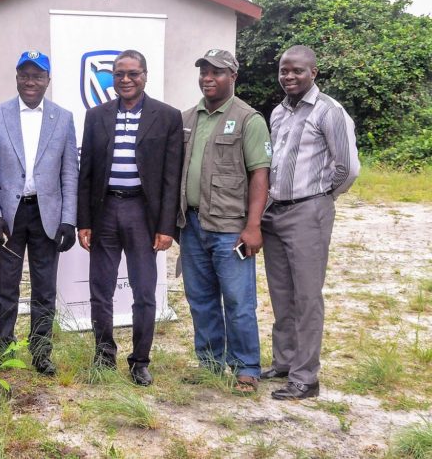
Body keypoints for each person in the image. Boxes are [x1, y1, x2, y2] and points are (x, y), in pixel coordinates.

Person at [77, 49, 183, 386]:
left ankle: (140, 361)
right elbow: (86, 172)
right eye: (119, 74)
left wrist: (166, 226)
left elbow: (171, 177)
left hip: (142, 213)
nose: (125, 80)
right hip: (105, 210)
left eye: (133, 73)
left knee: (144, 291)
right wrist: (84, 221)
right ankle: (103, 355)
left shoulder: (167, 116)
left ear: (145, 75)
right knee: (101, 289)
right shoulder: (96, 116)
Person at [261, 45, 360, 400]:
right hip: (274, 212)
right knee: (281, 293)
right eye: (284, 70)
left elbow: (348, 168)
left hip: (309, 211)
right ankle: (284, 362)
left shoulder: (329, 111)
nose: (289, 76)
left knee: (306, 296)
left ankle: (305, 378)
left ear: (313, 72)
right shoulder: (278, 113)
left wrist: (321, 197)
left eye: (297, 70)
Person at [0, 50, 78, 376]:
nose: (30, 81)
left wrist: (68, 219)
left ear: (48, 80)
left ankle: (41, 351)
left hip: (47, 215)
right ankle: (4, 349)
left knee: (45, 289)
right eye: (25, 75)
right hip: (8, 216)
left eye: (37, 76)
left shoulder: (63, 118)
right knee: (5, 287)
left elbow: (69, 174)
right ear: (17, 78)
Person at [176, 49, 271, 394]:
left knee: (238, 301)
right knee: (200, 299)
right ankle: (210, 363)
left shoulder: (248, 119)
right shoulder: (188, 118)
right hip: (192, 225)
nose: (208, 78)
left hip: (230, 228)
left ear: (233, 76)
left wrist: (253, 226)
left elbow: (260, 173)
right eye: (204, 71)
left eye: (216, 72)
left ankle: (246, 367)